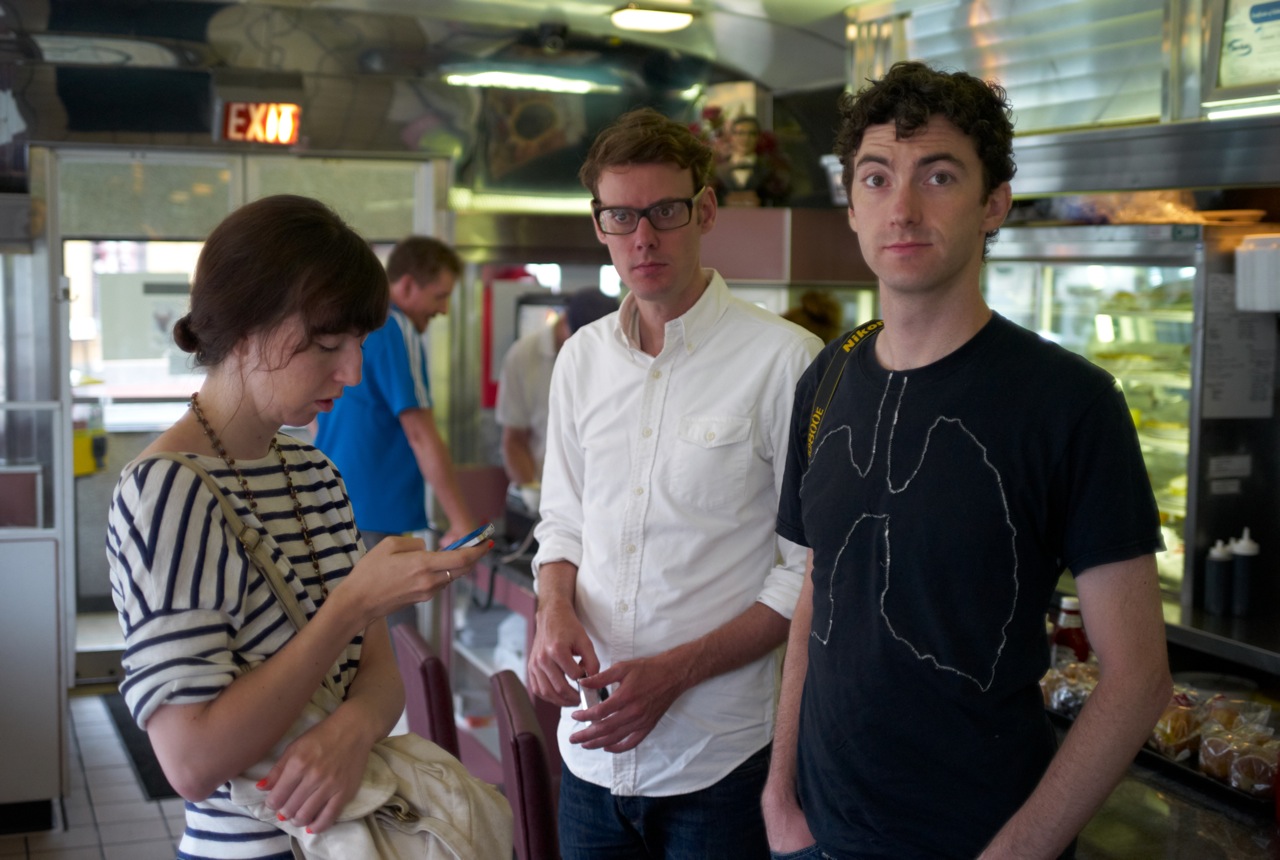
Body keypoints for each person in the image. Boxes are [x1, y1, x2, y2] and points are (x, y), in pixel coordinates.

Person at [761, 61, 1172, 860]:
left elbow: (1138, 678)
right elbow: (818, 585)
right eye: (877, 178)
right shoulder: (827, 377)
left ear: (994, 204)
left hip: (977, 838)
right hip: (819, 835)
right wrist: (781, 791)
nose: (903, 208)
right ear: (852, 204)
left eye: (939, 175)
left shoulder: (1070, 401)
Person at [104, 195, 492, 859]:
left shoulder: (315, 471)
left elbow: (380, 674)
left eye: (359, 343)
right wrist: (352, 606)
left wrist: (352, 730)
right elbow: (191, 761)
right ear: (247, 326)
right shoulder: (166, 491)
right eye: (328, 343)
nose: (353, 371)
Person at [526, 107, 823, 858]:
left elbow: (807, 571)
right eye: (621, 216)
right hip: (590, 760)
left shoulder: (786, 361)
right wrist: (552, 608)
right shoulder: (580, 359)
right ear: (599, 224)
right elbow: (562, 522)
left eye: (665, 211)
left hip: (719, 762)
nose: (643, 238)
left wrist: (675, 673)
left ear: (706, 211)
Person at [314, 235, 478, 554]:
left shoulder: (352, 323)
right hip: (376, 515)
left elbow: (318, 417)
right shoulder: (395, 328)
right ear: (407, 286)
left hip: (331, 504)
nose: (443, 310)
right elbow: (420, 434)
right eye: (439, 297)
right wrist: (461, 523)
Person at [496, 286, 619, 488]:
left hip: (604, 490)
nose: (588, 351)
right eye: (583, 341)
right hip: (545, 486)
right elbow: (514, 440)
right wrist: (531, 489)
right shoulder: (524, 356)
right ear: (564, 321)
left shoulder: (616, 354)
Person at [713, 115, 790, 207]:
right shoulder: (718, 170)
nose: (746, 138)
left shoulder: (769, 168)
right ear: (731, 137)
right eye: (740, 133)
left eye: (752, 134)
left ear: (758, 137)